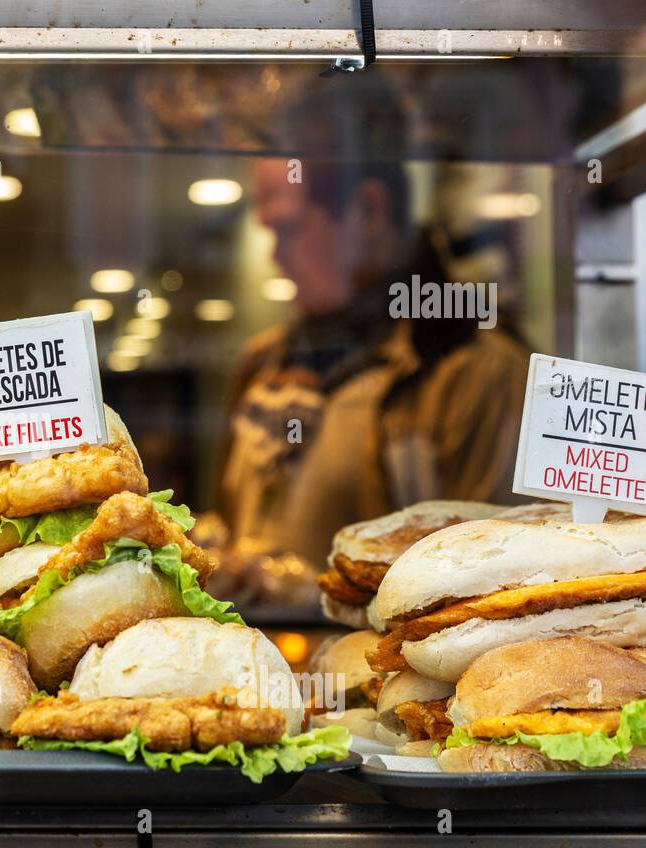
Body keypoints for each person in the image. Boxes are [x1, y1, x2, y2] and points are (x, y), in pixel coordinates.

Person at [217, 74, 530, 567]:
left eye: (289, 229)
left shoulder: (475, 372)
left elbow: (492, 578)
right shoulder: (264, 363)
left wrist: (312, 591)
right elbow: (231, 521)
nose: (275, 257)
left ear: (368, 210)